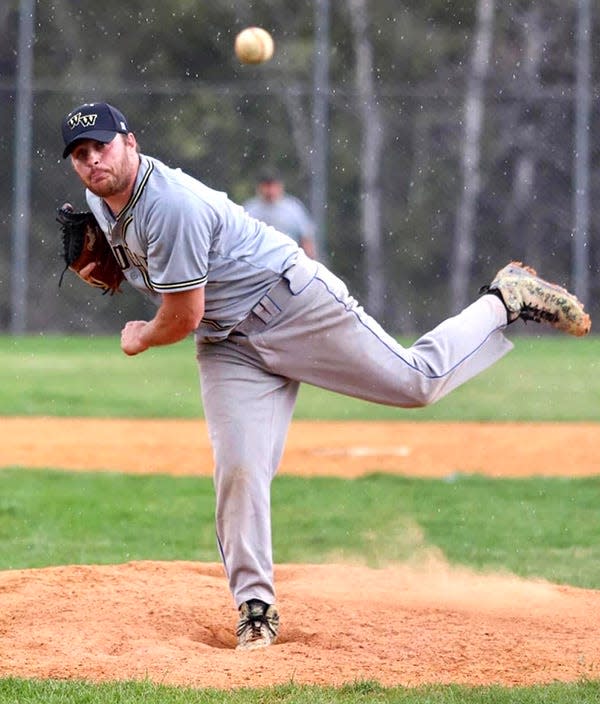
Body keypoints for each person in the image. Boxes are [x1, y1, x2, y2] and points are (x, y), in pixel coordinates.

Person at [60, 101, 590, 651]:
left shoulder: (171, 204)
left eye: (102, 144)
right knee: (239, 467)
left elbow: (180, 317)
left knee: (416, 383)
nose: (93, 159)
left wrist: (139, 335)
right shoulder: (103, 204)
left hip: (292, 304)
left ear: (131, 142)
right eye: (81, 153)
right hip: (229, 344)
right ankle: (255, 607)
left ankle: (506, 298)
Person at [243, 169, 317, 259]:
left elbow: (306, 239)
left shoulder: (293, 208)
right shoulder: (250, 209)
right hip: (258, 261)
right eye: (266, 186)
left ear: (280, 187)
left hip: (289, 261)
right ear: (259, 188)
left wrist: (311, 260)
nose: (270, 190)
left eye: (273, 186)